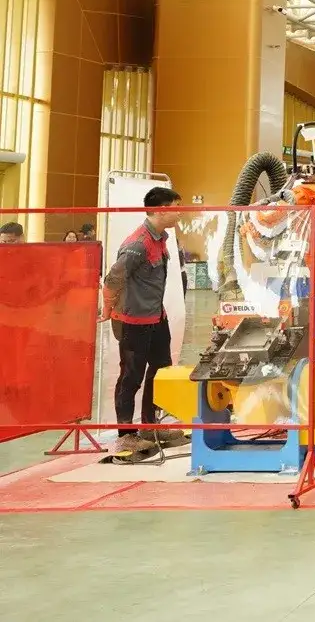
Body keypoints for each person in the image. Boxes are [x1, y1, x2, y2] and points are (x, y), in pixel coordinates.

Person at [101, 187, 186, 454]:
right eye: (175, 207)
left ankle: (151, 426)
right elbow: (113, 279)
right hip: (133, 321)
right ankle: (126, 435)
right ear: (161, 210)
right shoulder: (138, 244)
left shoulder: (161, 239)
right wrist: (107, 308)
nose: (179, 213)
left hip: (156, 318)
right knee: (131, 376)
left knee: (161, 372)